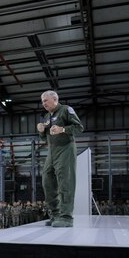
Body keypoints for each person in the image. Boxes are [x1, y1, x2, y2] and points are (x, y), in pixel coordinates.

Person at [37, 90, 84, 227]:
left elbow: (79, 127)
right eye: (42, 101)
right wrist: (41, 131)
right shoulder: (46, 116)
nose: (43, 103)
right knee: (47, 182)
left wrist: (62, 129)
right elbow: (45, 137)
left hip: (66, 149)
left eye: (45, 100)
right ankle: (55, 214)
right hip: (52, 152)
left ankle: (66, 217)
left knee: (65, 182)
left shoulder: (66, 110)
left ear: (54, 99)